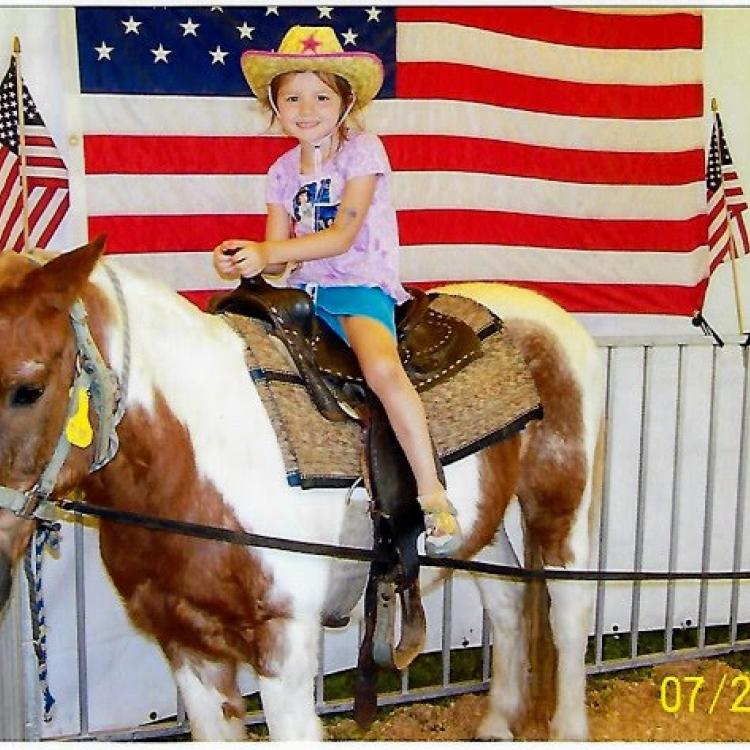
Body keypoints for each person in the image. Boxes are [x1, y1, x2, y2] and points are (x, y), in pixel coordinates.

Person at [212, 26, 462, 558]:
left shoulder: (363, 153)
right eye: (292, 97)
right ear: (274, 105)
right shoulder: (281, 172)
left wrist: (266, 252)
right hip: (305, 296)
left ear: (345, 101)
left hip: (356, 285)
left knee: (382, 371)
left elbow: (344, 234)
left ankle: (433, 492)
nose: (306, 108)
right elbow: (281, 259)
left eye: (321, 95)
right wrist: (246, 255)